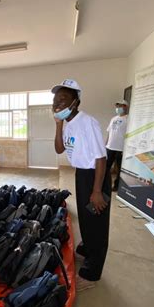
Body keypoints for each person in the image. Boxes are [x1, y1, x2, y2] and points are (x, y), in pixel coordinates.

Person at [52, 78, 111, 292]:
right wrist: (58, 125)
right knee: (86, 218)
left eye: (63, 99)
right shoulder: (68, 124)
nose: (57, 104)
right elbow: (59, 149)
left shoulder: (88, 122)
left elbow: (101, 158)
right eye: (56, 101)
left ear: (75, 101)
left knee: (97, 224)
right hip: (82, 174)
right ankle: (87, 248)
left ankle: (93, 272)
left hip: (96, 176)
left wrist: (97, 191)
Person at [106, 100, 128, 191]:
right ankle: (105, 184)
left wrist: (126, 149)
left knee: (119, 169)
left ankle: (116, 186)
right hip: (110, 147)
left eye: (120, 106)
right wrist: (105, 145)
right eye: (117, 106)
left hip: (121, 148)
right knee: (106, 167)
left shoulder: (128, 119)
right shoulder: (113, 119)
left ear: (125, 107)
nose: (118, 108)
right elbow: (109, 133)